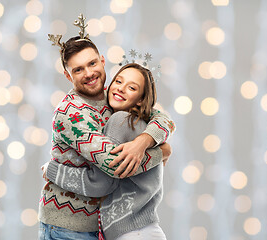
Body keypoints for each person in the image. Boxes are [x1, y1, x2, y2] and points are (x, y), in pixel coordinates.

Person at [39, 14, 173, 240]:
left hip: (101, 226)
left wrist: (143, 141)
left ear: (102, 61)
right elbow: (113, 168)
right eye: (78, 70)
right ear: (67, 75)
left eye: (92, 63)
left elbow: (162, 118)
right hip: (67, 228)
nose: (89, 73)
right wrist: (161, 152)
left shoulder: (113, 95)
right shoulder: (71, 113)